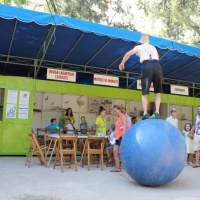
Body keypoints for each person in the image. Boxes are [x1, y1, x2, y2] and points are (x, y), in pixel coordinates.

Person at [119, 34, 162, 120]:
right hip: (157, 66)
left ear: (141, 41)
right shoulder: (153, 47)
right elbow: (157, 57)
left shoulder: (139, 47)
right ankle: (157, 112)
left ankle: (145, 113)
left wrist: (122, 62)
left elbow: (128, 54)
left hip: (147, 66)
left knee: (145, 92)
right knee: (157, 92)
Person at [110, 105, 126, 172]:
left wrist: (123, 134)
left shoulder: (122, 116)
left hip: (121, 137)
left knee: (121, 152)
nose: (115, 112)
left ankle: (125, 166)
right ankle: (117, 167)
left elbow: (125, 126)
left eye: (115, 111)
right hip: (117, 137)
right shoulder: (117, 118)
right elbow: (117, 128)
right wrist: (112, 135)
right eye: (114, 111)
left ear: (119, 110)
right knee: (115, 151)